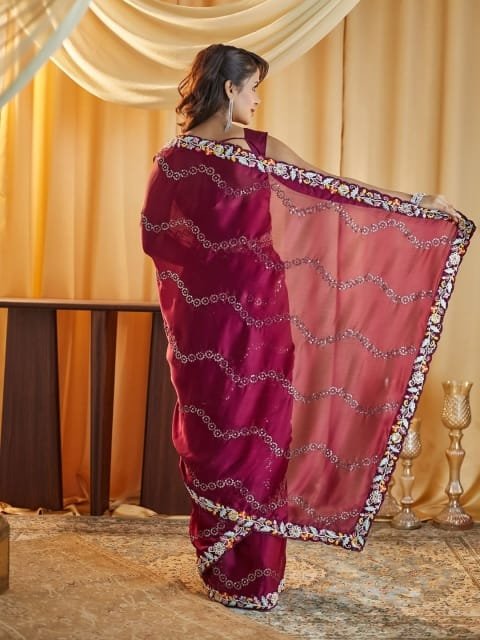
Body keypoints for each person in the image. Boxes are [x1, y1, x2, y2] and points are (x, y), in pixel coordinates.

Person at [141, 44, 474, 610]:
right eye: (252, 87)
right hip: (214, 325)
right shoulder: (189, 158)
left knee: (259, 434)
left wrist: (417, 204)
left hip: (250, 322)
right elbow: (157, 237)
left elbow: (331, 191)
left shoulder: (229, 153)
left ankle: (251, 572)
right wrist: (218, 273)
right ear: (229, 89)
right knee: (218, 437)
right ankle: (230, 567)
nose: (257, 98)